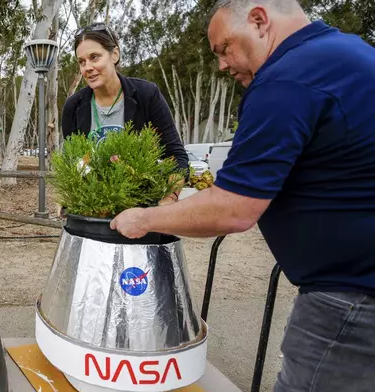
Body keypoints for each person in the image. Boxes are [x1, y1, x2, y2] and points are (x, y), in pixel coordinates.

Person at [110, 1, 375, 391]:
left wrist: (144, 218)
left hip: (349, 302)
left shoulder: (287, 79)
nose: (221, 64)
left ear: (259, 20)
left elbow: (233, 208)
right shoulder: (352, 53)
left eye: (224, 48)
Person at [62, 22, 189, 203]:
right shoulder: (73, 106)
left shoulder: (147, 95)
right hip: (92, 211)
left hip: (141, 208)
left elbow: (177, 157)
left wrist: (168, 199)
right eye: (81, 62)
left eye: (94, 57)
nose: (87, 67)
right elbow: (71, 163)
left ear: (114, 54)